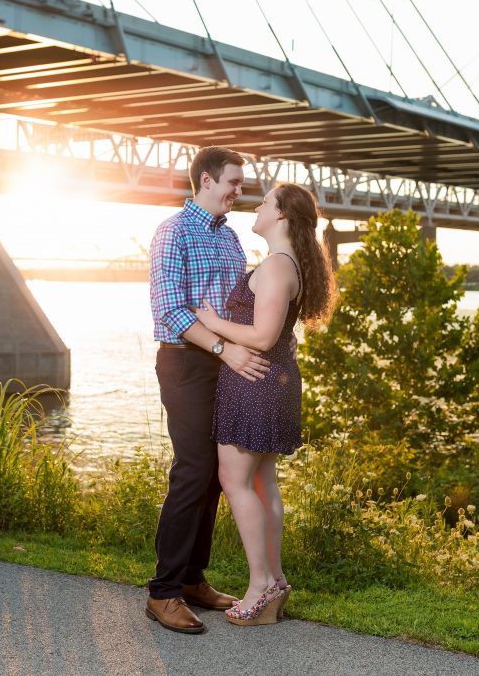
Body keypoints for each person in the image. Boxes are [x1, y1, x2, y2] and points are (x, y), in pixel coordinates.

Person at [193, 182, 336, 626]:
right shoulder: (286, 264)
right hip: (269, 380)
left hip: (256, 383)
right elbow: (277, 332)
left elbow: (262, 336)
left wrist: (213, 323)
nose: (257, 207)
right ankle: (274, 580)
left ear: (282, 216)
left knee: (235, 480)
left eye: (265, 202)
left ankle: (260, 587)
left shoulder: (276, 266)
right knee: (261, 483)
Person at [146, 146, 272, 634]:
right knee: (193, 469)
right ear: (205, 180)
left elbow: (238, 305)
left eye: (241, 185)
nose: (240, 192)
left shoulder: (230, 239)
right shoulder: (172, 233)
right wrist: (225, 351)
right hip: (187, 363)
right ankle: (163, 591)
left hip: (224, 360)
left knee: (220, 474)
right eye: (233, 183)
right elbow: (171, 311)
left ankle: (194, 579)